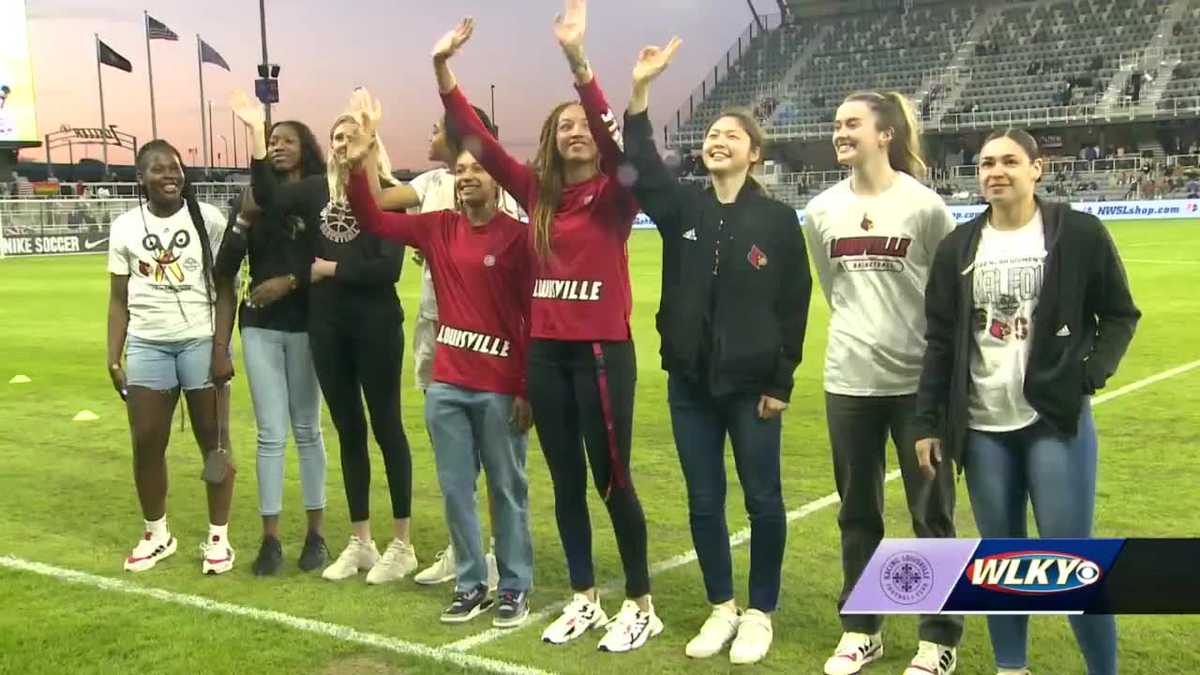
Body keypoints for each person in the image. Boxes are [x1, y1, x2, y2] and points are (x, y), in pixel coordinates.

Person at [434, 2, 662, 652]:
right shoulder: (536, 192)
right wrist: (442, 69)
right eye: (563, 126)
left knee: (612, 480)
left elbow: (621, 143)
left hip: (600, 353)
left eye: (582, 123)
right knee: (564, 483)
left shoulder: (617, 193)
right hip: (546, 357)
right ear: (551, 139)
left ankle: (641, 603)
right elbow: (473, 136)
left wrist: (577, 61)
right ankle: (585, 597)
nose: (574, 132)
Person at [914, 128, 1139, 675]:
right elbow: (940, 341)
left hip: (1053, 420)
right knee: (1002, 558)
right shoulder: (958, 248)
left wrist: (1088, 374)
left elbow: (1118, 314)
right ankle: (1011, 668)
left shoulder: (1076, 233)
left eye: (1010, 161)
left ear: (1037, 169)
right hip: (983, 425)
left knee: (1072, 558)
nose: (996, 171)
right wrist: (929, 420)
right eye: (986, 162)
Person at [621, 38, 812, 665]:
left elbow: (794, 304)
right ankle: (721, 607)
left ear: (754, 154)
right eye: (711, 133)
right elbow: (642, 165)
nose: (718, 140)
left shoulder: (779, 220)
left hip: (754, 386)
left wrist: (781, 381)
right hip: (690, 387)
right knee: (704, 499)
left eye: (732, 135)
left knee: (762, 500)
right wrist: (642, 91)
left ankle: (760, 611)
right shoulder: (682, 209)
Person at [343, 94, 535, 628]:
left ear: (498, 179)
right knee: (455, 490)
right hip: (447, 383)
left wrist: (525, 386)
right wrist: (361, 159)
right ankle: (471, 584)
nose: (468, 176)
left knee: (507, 488)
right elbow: (372, 218)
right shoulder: (438, 227)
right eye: (461, 170)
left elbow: (529, 318)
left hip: (499, 386)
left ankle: (514, 584)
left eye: (479, 169)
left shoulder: (518, 239)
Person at [233, 90, 419, 586]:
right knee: (349, 432)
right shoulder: (316, 190)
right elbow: (268, 197)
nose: (340, 143)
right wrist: (256, 136)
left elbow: (388, 268)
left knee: (387, 428)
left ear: (369, 141)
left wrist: (330, 268)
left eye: (350, 136)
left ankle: (402, 543)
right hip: (328, 327)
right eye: (335, 136)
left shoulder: (386, 190)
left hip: (376, 324)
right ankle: (361, 541)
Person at [804, 92, 962, 675]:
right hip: (849, 381)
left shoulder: (924, 207)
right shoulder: (821, 210)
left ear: (885, 134)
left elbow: (946, 298)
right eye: (837, 122)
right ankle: (862, 630)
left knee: (931, 515)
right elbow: (833, 290)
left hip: (919, 387)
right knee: (858, 513)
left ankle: (938, 640)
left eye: (852, 123)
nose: (840, 131)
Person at [106, 139, 236, 575]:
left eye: (175, 169)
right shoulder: (125, 226)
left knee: (213, 442)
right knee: (146, 442)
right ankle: (157, 534)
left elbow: (226, 290)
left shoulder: (209, 219)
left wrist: (220, 348)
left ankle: (218, 539)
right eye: (158, 169)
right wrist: (113, 356)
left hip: (199, 340)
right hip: (147, 343)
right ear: (140, 178)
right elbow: (118, 299)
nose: (170, 176)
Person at [407, 108, 523, 590]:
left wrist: (522, 381)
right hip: (441, 330)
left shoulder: (506, 203)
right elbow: (376, 206)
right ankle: (464, 554)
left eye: (439, 127)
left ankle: (498, 559)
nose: (431, 134)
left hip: (491, 346)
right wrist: (364, 146)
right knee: (455, 467)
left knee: (499, 468)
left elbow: (520, 306)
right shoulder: (438, 185)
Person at [213, 119, 329, 575]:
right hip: (259, 327)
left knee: (307, 429)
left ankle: (316, 535)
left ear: (306, 148)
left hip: (305, 324)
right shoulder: (257, 199)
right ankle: (271, 540)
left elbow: (323, 259)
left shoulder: (319, 195)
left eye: (287, 140)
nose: (278, 147)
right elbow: (224, 268)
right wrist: (243, 219)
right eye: (271, 141)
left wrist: (290, 282)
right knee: (269, 434)